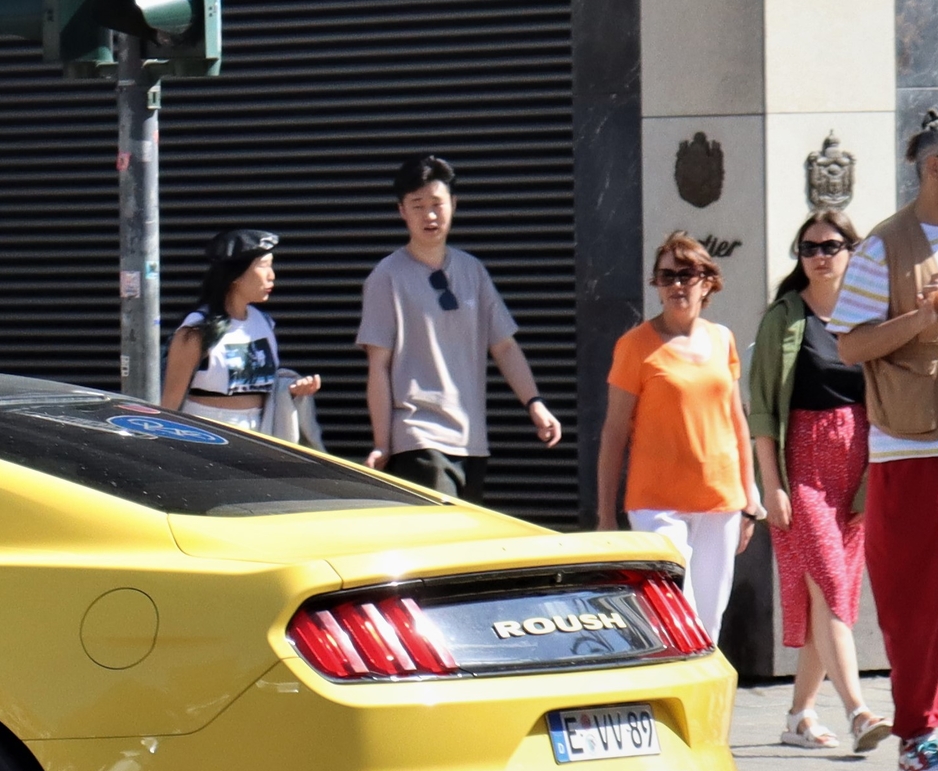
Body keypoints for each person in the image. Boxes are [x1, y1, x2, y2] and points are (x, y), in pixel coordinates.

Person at [826, 115, 938, 771]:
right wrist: (922, 318)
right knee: (918, 606)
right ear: (933, 168)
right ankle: (918, 741)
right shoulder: (883, 248)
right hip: (916, 452)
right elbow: (849, 345)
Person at [748, 209, 889, 753]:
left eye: (830, 246)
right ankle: (858, 711)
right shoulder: (784, 318)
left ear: (851, 250)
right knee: (830, 588)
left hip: (856, 471)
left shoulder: (866, 318)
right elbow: (761, 410)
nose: (819, 256)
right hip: (802, 469)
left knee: (830, 600)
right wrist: (772, 484)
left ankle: (799, 714)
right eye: (808, 248)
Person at [358, 156, 562, 501]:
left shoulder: (473, 270)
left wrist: (535, 403)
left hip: (471, 441)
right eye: (418, 206)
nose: (430, 215)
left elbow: (505, 347)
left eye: (437, 204)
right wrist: (383, 443)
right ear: (401, 211)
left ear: (453, 205)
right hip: (418, 438)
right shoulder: (386, 276)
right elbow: (378, 365)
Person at [597, 234, 764, 640]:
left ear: (706, 282)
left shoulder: (722, 338)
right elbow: (614, 431)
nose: (676, 285)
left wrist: (750, 494)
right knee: (671, 616)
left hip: (719, 500)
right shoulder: (634, 346)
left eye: (686, 275)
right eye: (666, 276)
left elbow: (736, 419)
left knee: (708, 624)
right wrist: (605, 514)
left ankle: (705, 705)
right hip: (656, 504)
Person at [162, 228, 320, 433]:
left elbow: (264, 385)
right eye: (264, 266)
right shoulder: (198, 329)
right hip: (207, 431)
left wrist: (292, 389)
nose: (272, 275)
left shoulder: (262, 322)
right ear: (236, 275)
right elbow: (171, 400)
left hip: (260, 431)